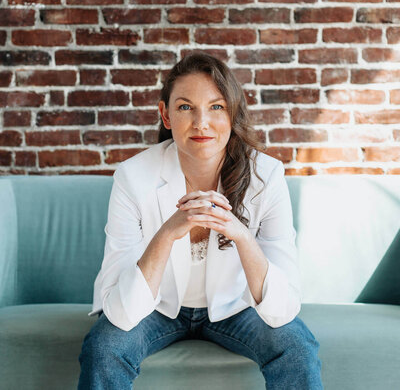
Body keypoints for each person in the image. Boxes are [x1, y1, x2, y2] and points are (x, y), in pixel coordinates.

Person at [78, 52, 323, 389]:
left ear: (232, 113)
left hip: (236, 309)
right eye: (185, 107)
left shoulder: (267, 176)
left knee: (296, 344)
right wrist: (166, 233)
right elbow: (120, 313)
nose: (201, 123)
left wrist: (241, 236)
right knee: (105, 346)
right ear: (165, 115)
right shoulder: (132, 177)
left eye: (216, 107)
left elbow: (283, 309)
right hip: (157, 310)